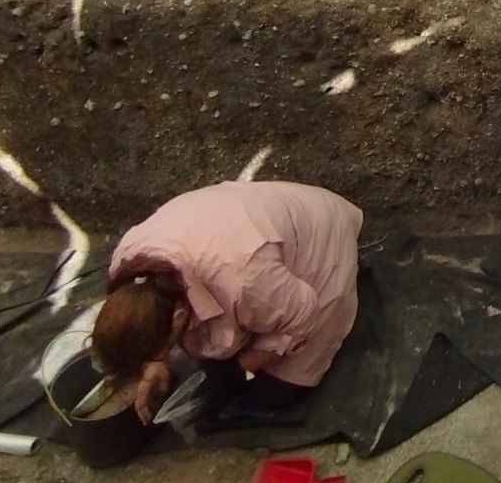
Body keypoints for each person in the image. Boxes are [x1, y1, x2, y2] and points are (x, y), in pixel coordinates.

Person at [91, 181, 365, 424]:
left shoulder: (243, 280)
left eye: (161, 350)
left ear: (176, 318)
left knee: (275, 393)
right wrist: (154, 367)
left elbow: (304, 314)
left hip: (319, 238)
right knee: (214, 356)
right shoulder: (127, 271)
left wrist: (241, 368)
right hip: (241, 234)